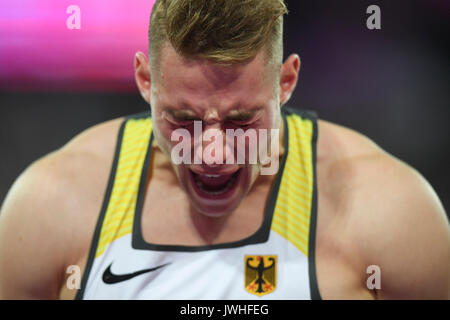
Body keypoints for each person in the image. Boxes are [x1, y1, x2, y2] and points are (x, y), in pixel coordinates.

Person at [0, 0, 449, 300]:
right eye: (183, 119)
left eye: (240, 121)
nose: (212, 153)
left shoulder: (390, 210)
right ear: (145, 81)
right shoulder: (52, 202)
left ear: (286, 82)